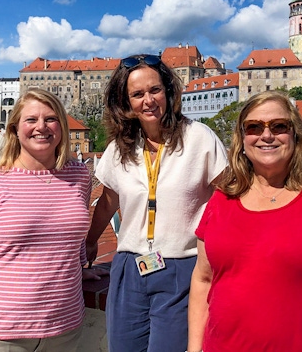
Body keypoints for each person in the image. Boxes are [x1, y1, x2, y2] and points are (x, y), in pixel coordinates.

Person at [188, 91, 302, 352]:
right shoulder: (221, 200)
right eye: (254, 127)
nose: (266, 135)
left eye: (279, 126)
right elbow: (203, 280)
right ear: (242, 140)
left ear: (295, 137)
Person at [86, 54, 228, 352]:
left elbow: (230, 198)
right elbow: (108, 200)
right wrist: (89, 242)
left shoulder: (199, 138)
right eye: (137, 94)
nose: (148, 100)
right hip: (128, 267)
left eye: (155, 90)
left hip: (183, 266)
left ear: (169, 92)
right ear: (125, 104)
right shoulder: (119, 148)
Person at [0, 89, 103, 352]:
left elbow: (71, 229)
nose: (41, 127)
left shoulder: (78, 175)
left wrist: (78, 267)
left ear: (62, 128)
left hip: (65, 326)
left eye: (51, 119)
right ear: (15, 129)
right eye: (31, 120)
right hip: (5, 332)